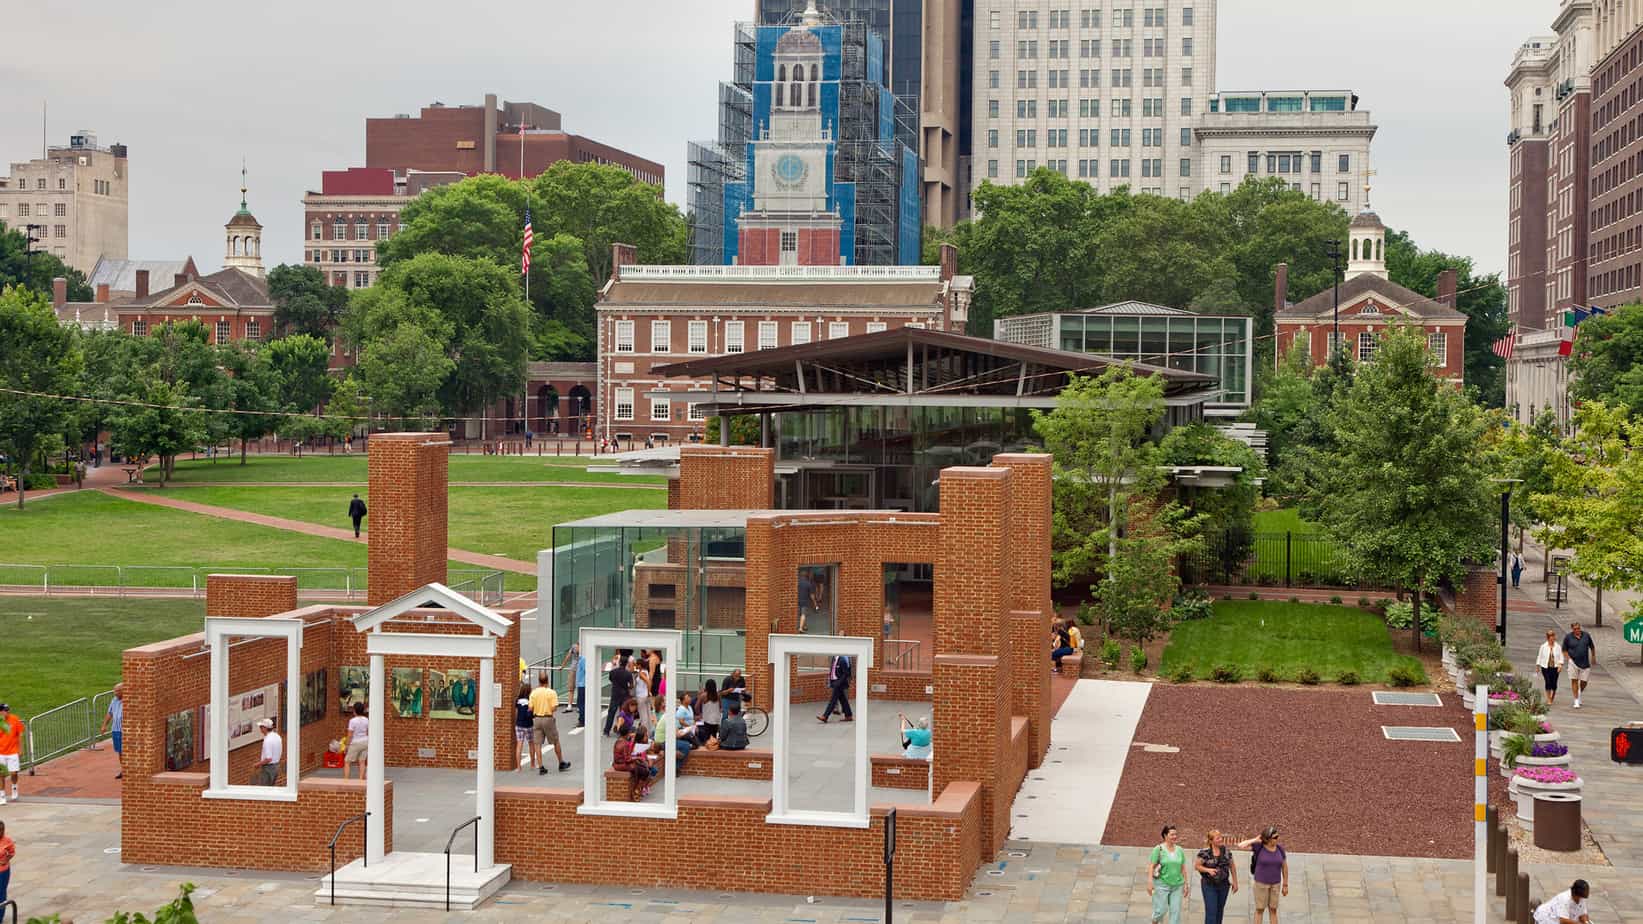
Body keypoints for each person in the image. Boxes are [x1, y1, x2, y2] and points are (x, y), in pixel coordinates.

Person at [1237, 826, 1288, 924]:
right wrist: (1256, 839)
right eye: (1275, 837)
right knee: (1260, 909)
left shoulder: (1280, 849)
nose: (1278, 839)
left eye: (1278, 836)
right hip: (1261, 884)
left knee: (1273, 910)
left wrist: (1285, 884)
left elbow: (1284, 867)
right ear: (1268, 839)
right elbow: (1240, 845)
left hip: (1275, 884)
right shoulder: (1259, 847)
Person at [529, 672, 571, 773]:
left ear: (539, 681)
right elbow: (554, 707)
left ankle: (541, 767)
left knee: (537, 744)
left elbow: (530, 708)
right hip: (548, 718)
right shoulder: (551, 692)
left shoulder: (534, 693)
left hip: (537, 719)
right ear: (547, 681)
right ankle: (561, 762)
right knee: (555, 741)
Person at [1194, 829, 1238, 924]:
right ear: (1211, 841)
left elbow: (1232, 866)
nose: (1220, 839)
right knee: (1211, 912)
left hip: (1224, 885)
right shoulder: (1205, 852)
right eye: (1217, 838)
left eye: (1220, 837)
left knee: (1219, 911)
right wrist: (1208, 870)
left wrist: (1235, 882)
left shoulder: (1226, 851)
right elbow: (1197, 866)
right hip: (1209, 885)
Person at [1147, 823, 1188, 923]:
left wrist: (1186, 884)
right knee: (1161, 910)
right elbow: (1151, 866)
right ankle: (1155, 920)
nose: (1175, 836)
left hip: (1177, 885)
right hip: (1161, 884)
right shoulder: (1158, 849)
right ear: (1165, 835)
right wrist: (1150, 882)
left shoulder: (1180, 850)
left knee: (1175, 912)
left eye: (1175, 834)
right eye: (1172, 834)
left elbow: (1183, 867)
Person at [1561, 622, 1597, 708]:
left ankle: (1579, 692)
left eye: (1578, 628)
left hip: (1585, 663)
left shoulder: (1586, 635)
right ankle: (1576, 700)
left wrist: (1593, 657)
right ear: (1572, 629)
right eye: (1575, 629)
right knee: (1574, 680)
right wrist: (1569, 659)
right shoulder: (1568, 637)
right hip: (1573, 662)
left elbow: (1592, 647)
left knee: (1584, 681)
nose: (1577, 630)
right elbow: (1564, 649)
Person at [612, 725, 651, 799]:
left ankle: (637, 789)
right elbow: (627, 759)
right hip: (622, 765)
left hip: (617, 764)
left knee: (641, 767)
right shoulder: (625, 744)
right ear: (627, 733)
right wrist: (637, 758)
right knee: (645, 771)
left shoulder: (617, 741)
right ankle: (636, 789)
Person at [817, 653, 854, 723]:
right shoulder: (834, 659)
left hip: (839, 683)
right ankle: (848, 715)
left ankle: (825, 716)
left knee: (833, 700)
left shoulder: (842, 660)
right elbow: (832, 671)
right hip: (834, 682)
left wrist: (838, 682)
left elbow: (846, 673)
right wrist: (831, 681)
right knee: (843, 699)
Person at [604, 654, 634, 737]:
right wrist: (627, 687)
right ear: (627, 663)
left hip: (615, 694)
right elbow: (631, 685)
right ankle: (621, 731)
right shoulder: (628, 674)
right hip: (624, 695)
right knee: (623, 713)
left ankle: (606, 730)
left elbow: (611, 679)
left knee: (611, 713)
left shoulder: (613, 672)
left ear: (619, 662)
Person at [99, 683, 124, 779]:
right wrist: (104, 725)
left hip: (125, 731)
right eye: (115, 691)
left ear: (123, 691)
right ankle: (124, 770)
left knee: (126, 751)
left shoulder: (129, 701)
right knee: (120, 751)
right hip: (116, 730)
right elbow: (110, 713)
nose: (115, 693)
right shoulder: (114, 700)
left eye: (117, 691)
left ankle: (130, 769)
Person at [560, 642, 588, 730]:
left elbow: (586, 670)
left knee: (581, 702)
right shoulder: (575, 649)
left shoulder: (583, 659)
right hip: (580, 680)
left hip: (582, 683)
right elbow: (568, 656)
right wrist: (563, 665)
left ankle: (582, 720)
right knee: (573, 690)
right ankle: (571, 706)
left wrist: (563, 666)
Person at [0, 706, 24, 803]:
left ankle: (14, 788)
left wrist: (21, 749)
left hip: (13, 751)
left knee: (14, 773)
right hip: (1, 752)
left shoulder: (15, 719)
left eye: (7, 710)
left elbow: (20, 734)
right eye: (4, 711)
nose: (7, 712)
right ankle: (2, 796)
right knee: (1, 775)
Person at [341, 702, 370, 780]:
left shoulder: (352, 721)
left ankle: (346, 780)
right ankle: (361, 779)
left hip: (355, 743)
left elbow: (350, 735)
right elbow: (367, 732)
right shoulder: (366, 719)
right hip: (365, 741)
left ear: (354, 710)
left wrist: (347, 746)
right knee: (362, 761)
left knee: (347, 762)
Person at [1537, 629, 1566, 706]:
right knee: (1548, 682)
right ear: (1548, 637)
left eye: (1553, 636)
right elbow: (1539, 656)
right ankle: (1548, 698)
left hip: (1555, 667)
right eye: (1551, 636)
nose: (1553, 638)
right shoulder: (1543, 646)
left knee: (1554, 684)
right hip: (1545, 667)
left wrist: (1560, 665)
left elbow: (1561, 657)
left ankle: (1552, 696)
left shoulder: (1558, 647)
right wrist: (1538, 665)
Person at [669, 691, 696, 769]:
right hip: (683, 729)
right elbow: (681, 721)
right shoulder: (681, 709)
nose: (690, 698)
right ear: (683, 700)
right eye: (687, 697)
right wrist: (690, 727)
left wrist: (694, 725)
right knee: (694, 740)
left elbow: (692, 718)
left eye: (689, 697)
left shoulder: (690, 707)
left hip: (691, 728)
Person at [254, 718, 282, 786]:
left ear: (265, 728)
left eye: (261, 727)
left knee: (264, 790)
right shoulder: (277, 736)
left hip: (268, 768)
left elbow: (268, 759)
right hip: (276, 766)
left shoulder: (267, 741)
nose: (260, 729)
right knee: (271, 789)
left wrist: (258, 764)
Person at [514, 683, 536, 770]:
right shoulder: (530, 702)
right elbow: (532, 714)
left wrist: (516, 722)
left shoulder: (517, 701)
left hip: (519, 725)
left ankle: (519, 766)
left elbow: (516, 713)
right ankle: (532, 764)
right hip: (528, 725)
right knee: (531, 744)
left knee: (519, 745)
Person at [698, 679, 721, 745]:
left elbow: (696, 706)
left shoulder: (703, 695)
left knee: (707, 736)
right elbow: (720, 706)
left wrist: (700, 714)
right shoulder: (718, 695)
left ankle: (707, 748)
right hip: (716, 718)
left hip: (707, 718)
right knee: (714, 736)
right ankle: (713, 747)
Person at [797, 568, 817, 633]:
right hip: (805, 601)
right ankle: (800, 628)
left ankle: (804, 626)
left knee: (801, 614)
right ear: (806, 576)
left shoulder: (797, 583)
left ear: (800, 576)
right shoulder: (808, 584)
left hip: (797, 600)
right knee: (803, 614)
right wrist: (815, 603)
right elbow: (811, 595)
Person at [0, 821, 13, 906]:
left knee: (1, 892)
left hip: (2, 872)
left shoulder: (7, 840)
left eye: (2, 830)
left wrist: (5, 860)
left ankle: (0, 916)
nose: (1, 832)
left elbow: (11, 852)